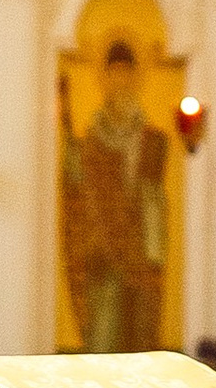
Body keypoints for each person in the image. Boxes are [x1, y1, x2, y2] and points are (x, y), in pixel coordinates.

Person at [60, 40, 171, 349]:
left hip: (142, 260)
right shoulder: (87, 144)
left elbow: (154, 198)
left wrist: (150, 256)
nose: (121, 82)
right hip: (101, 260)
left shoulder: (153, 140)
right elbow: (76, 204)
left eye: (127, 74)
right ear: (104, 79)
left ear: (136, 79)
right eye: (114, 74)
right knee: (103, 342)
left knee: (141, 345)